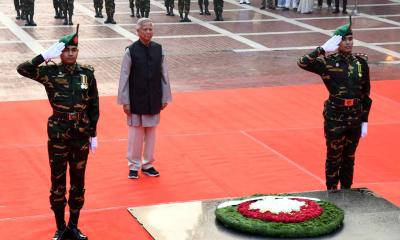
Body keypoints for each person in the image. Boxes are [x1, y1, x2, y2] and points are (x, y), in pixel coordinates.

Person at [17, 25, 99, 240]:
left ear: (78, 52)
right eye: (66, 50)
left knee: (79, 181)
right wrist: (43, 56)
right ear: (60, 53)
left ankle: (73, 225)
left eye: (74, 50)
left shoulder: (87, 74)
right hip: (58, 133)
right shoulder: (50, 73)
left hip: (80, 134)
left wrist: (94, 133)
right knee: (58, 181)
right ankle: (60, 227)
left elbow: (94, 104)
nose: (71, 54)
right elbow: (22, 69)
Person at [297, 16, 372, 191]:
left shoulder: (361, 63)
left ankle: (347, 191)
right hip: (335, 117)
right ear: (336, 42)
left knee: (349, 157)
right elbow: (302, 62)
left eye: (350, 39)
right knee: (333, 157)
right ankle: (332, 192)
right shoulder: (327, 62)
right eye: (344, 39)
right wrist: (322, 49)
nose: (348, 43)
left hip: (354, 115)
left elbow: (366, 93)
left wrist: (365, 119)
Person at [117, 18, 172, 179]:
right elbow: (124, 77)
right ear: (138, 31)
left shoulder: (158, 49)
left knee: (151, 134)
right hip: (135, 98)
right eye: (145, 29)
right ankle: (134, 165)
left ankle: (147, 164)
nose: (148, 32)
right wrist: (125, 100)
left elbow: (164, 75)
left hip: (154, 97)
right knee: (136, 135)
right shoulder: (131, 51)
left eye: (150, 29)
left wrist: (165, 96)